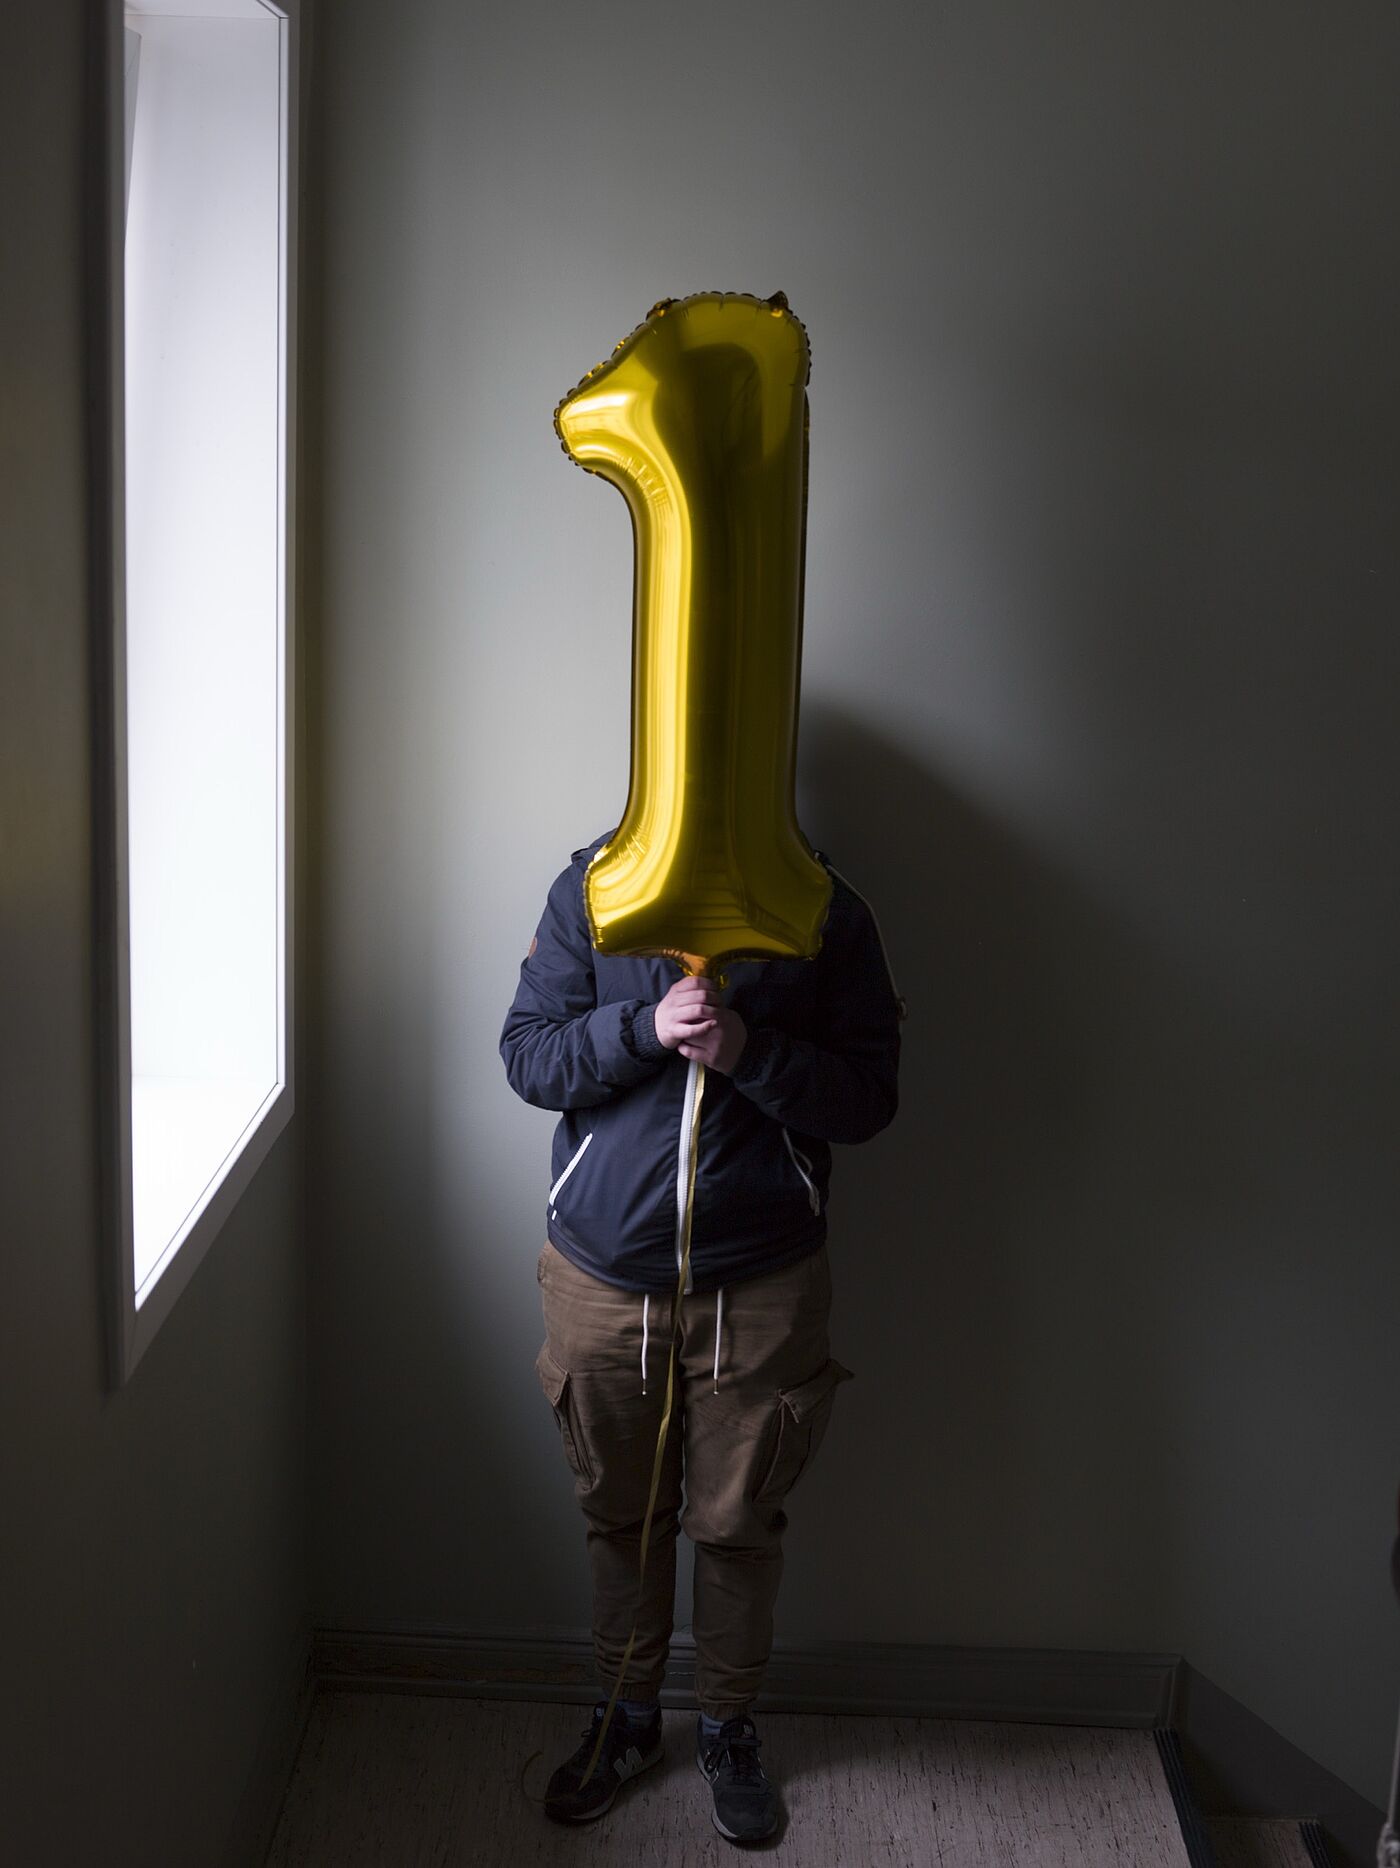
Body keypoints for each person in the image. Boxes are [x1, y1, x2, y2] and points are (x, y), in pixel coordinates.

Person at [499, 827, 902, 1844]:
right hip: (601, 1276)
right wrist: (643, 1028)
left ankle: (726, 1726)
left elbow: (867, 1095)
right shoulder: (592, 890)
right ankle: (627, 1721)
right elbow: (528, 1054)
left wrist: (748, 1052)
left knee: (737, 1524)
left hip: (762, 1282)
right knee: (620, 1516)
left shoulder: (822, 905)